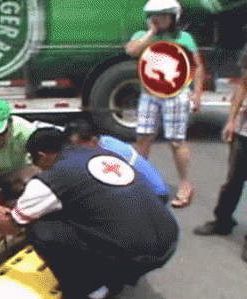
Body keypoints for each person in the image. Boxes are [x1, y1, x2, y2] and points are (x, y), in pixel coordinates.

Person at [0, 128, 179, 299]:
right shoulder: (101, 153)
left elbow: (13, 225)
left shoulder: (52, 178)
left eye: (35, 160)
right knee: (80, 213)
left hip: (138, 255)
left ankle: (94, 296)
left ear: (42, 156)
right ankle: (114, 274)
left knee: (40, 231)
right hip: (168, 239)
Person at [125, 0, 204, 208]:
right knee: (143, 137)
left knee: (176, 140)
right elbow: (132, 51)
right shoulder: (141, 35)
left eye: (163, 15)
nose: (158, 19)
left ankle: (185, 184)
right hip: (149, 93)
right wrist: (151, 34)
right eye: (154, 15)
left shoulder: (184, 38)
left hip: (176, 93)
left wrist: (197, 94)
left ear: (173, 17)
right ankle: (137, 181)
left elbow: (197, 65)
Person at [193, 42, 247, 260]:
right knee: (233, 180)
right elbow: (243, 84)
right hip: (244, 130)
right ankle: (222, 221)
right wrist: (232, 120)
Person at [65, 118, 171, 204]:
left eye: (77, 144)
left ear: (92, 141)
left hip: (154, 196)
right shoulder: (105, 141)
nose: (74, 149)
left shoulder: (110, 153)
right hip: (141, 191)